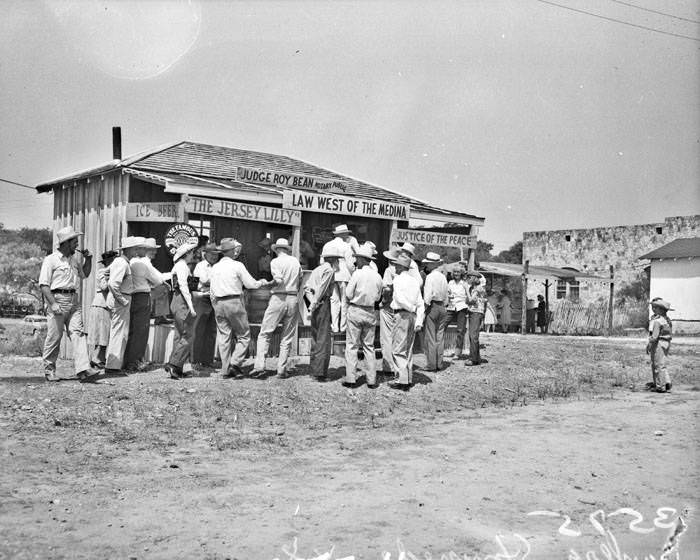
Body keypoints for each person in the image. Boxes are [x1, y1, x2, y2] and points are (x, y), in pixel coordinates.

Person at [38, 226, 99, 382]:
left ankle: (83, 370)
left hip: (73, 301)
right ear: (66, 243)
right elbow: (44, 285)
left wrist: (89, 260)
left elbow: (84, 275)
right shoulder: (51, 260)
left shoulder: (74, 260)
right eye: (75, 242)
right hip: (57, 300)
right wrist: (53, 304)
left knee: (78, 334)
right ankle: (49, 370)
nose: (77, 245)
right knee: (55, 337)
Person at [210, 238, 264, 379]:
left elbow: (211, 290)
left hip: (218, 303)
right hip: (234, 301)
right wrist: (261, 282)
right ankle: (235, 363)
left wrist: (215, 304)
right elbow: (250, 284)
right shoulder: (237, 265)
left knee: (224, 337)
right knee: (244, 335)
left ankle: (225, 369)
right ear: (233, 251)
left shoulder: (215, 267)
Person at [251, 238, 302, 378]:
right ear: (287, 249)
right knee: (287, 336)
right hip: (293, 297)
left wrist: (266, 283)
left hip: (278, 297)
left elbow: (278, 280)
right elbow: (301, 279)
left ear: (276, 249)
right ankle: (281, 369)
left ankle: (260, 365)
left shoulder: (275, 262)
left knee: (265, 332)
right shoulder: (295, 261)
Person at [343, 244, 383, 388]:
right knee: (369, 347)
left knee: (352, 345)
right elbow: (378, 297)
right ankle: (371, 380)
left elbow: (348, 293)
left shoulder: (357, 274)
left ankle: (351, 379)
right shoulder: (377, 276)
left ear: (361, 259)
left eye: (357, 258)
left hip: (356, 309)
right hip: (370, 311)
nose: (356, 261)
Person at [123, 237, 166, 370]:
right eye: (141, 247)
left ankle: (127, 360)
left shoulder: (130, 262)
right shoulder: (143, 263)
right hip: (142, 296)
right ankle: (135, 362)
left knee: (132, 330)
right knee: (141, 331)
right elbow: (158, 280)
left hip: (131, 296)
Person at [105, 236, 143, 373]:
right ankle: (112, 367)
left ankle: (113, 364)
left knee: (119, 332)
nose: (137, 251)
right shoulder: (121, 263)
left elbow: (106, 275)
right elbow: (113, 284)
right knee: (119, 333)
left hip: (121, 298)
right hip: (121, 300)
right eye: (135, 248)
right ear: (128, 249)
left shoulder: (121, 262)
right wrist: (123, 300)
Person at [304, 246, 342, 381]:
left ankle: (313, 369)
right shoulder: (329, 270)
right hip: (322, 303)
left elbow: (307, 288)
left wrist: (311, 304)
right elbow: (322, 288)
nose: (338, 262)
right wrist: (316, 303)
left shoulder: (316, 269)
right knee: (323, 338)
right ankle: (319, 373)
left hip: (315, 303)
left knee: (315, 336)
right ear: (333, 260)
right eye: (337, 260)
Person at [390, 254, 424, 390]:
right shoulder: (415, 282)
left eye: (396, 265)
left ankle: (402, 380)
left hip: (402, 314)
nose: (394, 267)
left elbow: (398, 297)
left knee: (398, 348)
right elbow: (420, 303)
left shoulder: (397, 280)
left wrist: (409, 307)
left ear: (400, 266)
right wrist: (419, 320)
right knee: (408, 348)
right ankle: (408, 378)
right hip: (413, 316)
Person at [165, 242, 198, 379]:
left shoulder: (178, 266)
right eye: (191, 253)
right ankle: (174, 364)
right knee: (188, 335)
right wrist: (191, 306)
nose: (193, 255)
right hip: (182, 300)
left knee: (179, 335)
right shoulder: (183, 266)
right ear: (186, 254)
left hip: (176, 299)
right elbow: (184, 286)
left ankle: (177, 367)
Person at [321, 224, 359, 333]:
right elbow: (350, 264)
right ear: (343, 234)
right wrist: (354, 274)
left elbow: (321, 262)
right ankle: (343, 327)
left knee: (334, 301)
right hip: (344, 275)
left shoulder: (327, 245)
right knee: (344, 302)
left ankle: (334, 326)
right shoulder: (346, 246)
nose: (347, 235)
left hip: (331, 275)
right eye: (346, 233)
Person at [191, 243, 220, 367]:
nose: (214, 257)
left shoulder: (219, 266)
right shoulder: (200, 265)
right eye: (212, 254)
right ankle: (195, 360)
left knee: (211, 330)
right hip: (202, 299)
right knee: (198, 329)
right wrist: (218, 280)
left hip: (214, 299)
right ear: (205, 254)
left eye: (216, 254)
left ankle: (207, 360)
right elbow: (204, 280)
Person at [88, 250, 118, 369]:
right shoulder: (103, 271)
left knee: (104, 333)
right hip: (101, 304)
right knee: (100, 333)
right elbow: (104, 286)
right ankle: (96, 358)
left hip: (106, 305)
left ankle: (99, 358)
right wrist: (111, 277)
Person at [421, 252, 448, 371]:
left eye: (428, 263)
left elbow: (427, 297)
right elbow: (447, 295)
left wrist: (423, 310)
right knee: (440, 336)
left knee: (431, 337)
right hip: (443, 306)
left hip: (432, 306)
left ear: (432, 264)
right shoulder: (443, 277)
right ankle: (439, 363)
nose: (426, 266)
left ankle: (431, 364)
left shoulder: (430, 277)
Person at [646, 298, 673, 393]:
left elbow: (654, 336)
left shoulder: (658, 321)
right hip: (666, 343)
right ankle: (667, 383)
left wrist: (649, 344)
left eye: (655, 308)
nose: (653, 309)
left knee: (657, 365)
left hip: (658, 344)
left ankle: (660, 386)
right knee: (662, 364)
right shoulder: (667, 320)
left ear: (660, 310)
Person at [379, 247, 399, 376]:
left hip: (389, 305)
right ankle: (397, 366)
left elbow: (386, 290)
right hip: (400, 306)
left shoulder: (389, 270)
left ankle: (388, 367)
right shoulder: (406, 271)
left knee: (386, 336)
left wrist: (382, 302)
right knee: (397, 336)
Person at [464, 270, 487, 366]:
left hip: (476, 313)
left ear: (474, 278)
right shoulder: (476, 288)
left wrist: (466, 290)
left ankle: (473, 359)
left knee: (473, 336)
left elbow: (470, 300)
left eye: (470, 277)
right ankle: (476, 357)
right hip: (475, 312)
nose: (468, 279)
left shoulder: (478, 288)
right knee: (473, 335)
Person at [446, 265, 468, 359]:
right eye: (454, 272)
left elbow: (468, 295)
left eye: (458, 272)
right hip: (451, 307)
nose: (456, 274)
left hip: (461, 307)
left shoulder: (464, 283)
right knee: (442, 325)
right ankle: (440, 349)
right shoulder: (450, 283)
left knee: (460, 330)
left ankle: (457, 352)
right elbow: (446, 293)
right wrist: (448, 296)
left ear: (461, 273)